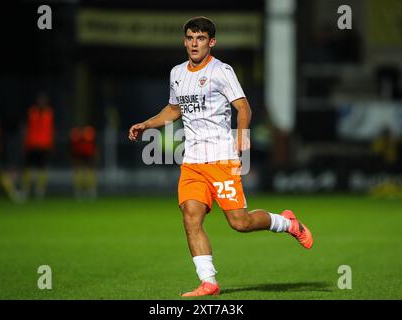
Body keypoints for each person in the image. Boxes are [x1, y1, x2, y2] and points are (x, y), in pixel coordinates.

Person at [128, 17, 313, 297]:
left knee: (241, 223)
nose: (194, 43)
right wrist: (146, 124)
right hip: (192, 162)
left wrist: (242, 141)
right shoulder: (177, 73)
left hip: (221, 158)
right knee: (191, 217)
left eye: (200, 38)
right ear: (184, 40)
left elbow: (244, 108)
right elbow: (173, 110)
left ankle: (288, 223)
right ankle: (209, 283)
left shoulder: (221, 71)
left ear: (211, 42)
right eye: (190, 38)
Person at [21, 94, 54, 200]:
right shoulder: (32, 112)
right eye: (40, 100)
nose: (42, 103)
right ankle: (26, 190)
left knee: (42, 169)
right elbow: (26, 128)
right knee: (27, 168)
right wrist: (25, 143)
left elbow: (50, 130)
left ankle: (40, 191)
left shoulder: (49, 113)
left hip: (44, 145)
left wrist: (50, 144)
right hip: (32, 145)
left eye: (43, 100)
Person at [69, 126, 98, 199]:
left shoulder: (87, 130)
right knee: (82, 171)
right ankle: (82, 190)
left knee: (86, 171)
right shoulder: (77, 130)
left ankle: (88, 190)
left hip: (86, 152)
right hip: (80, 152)